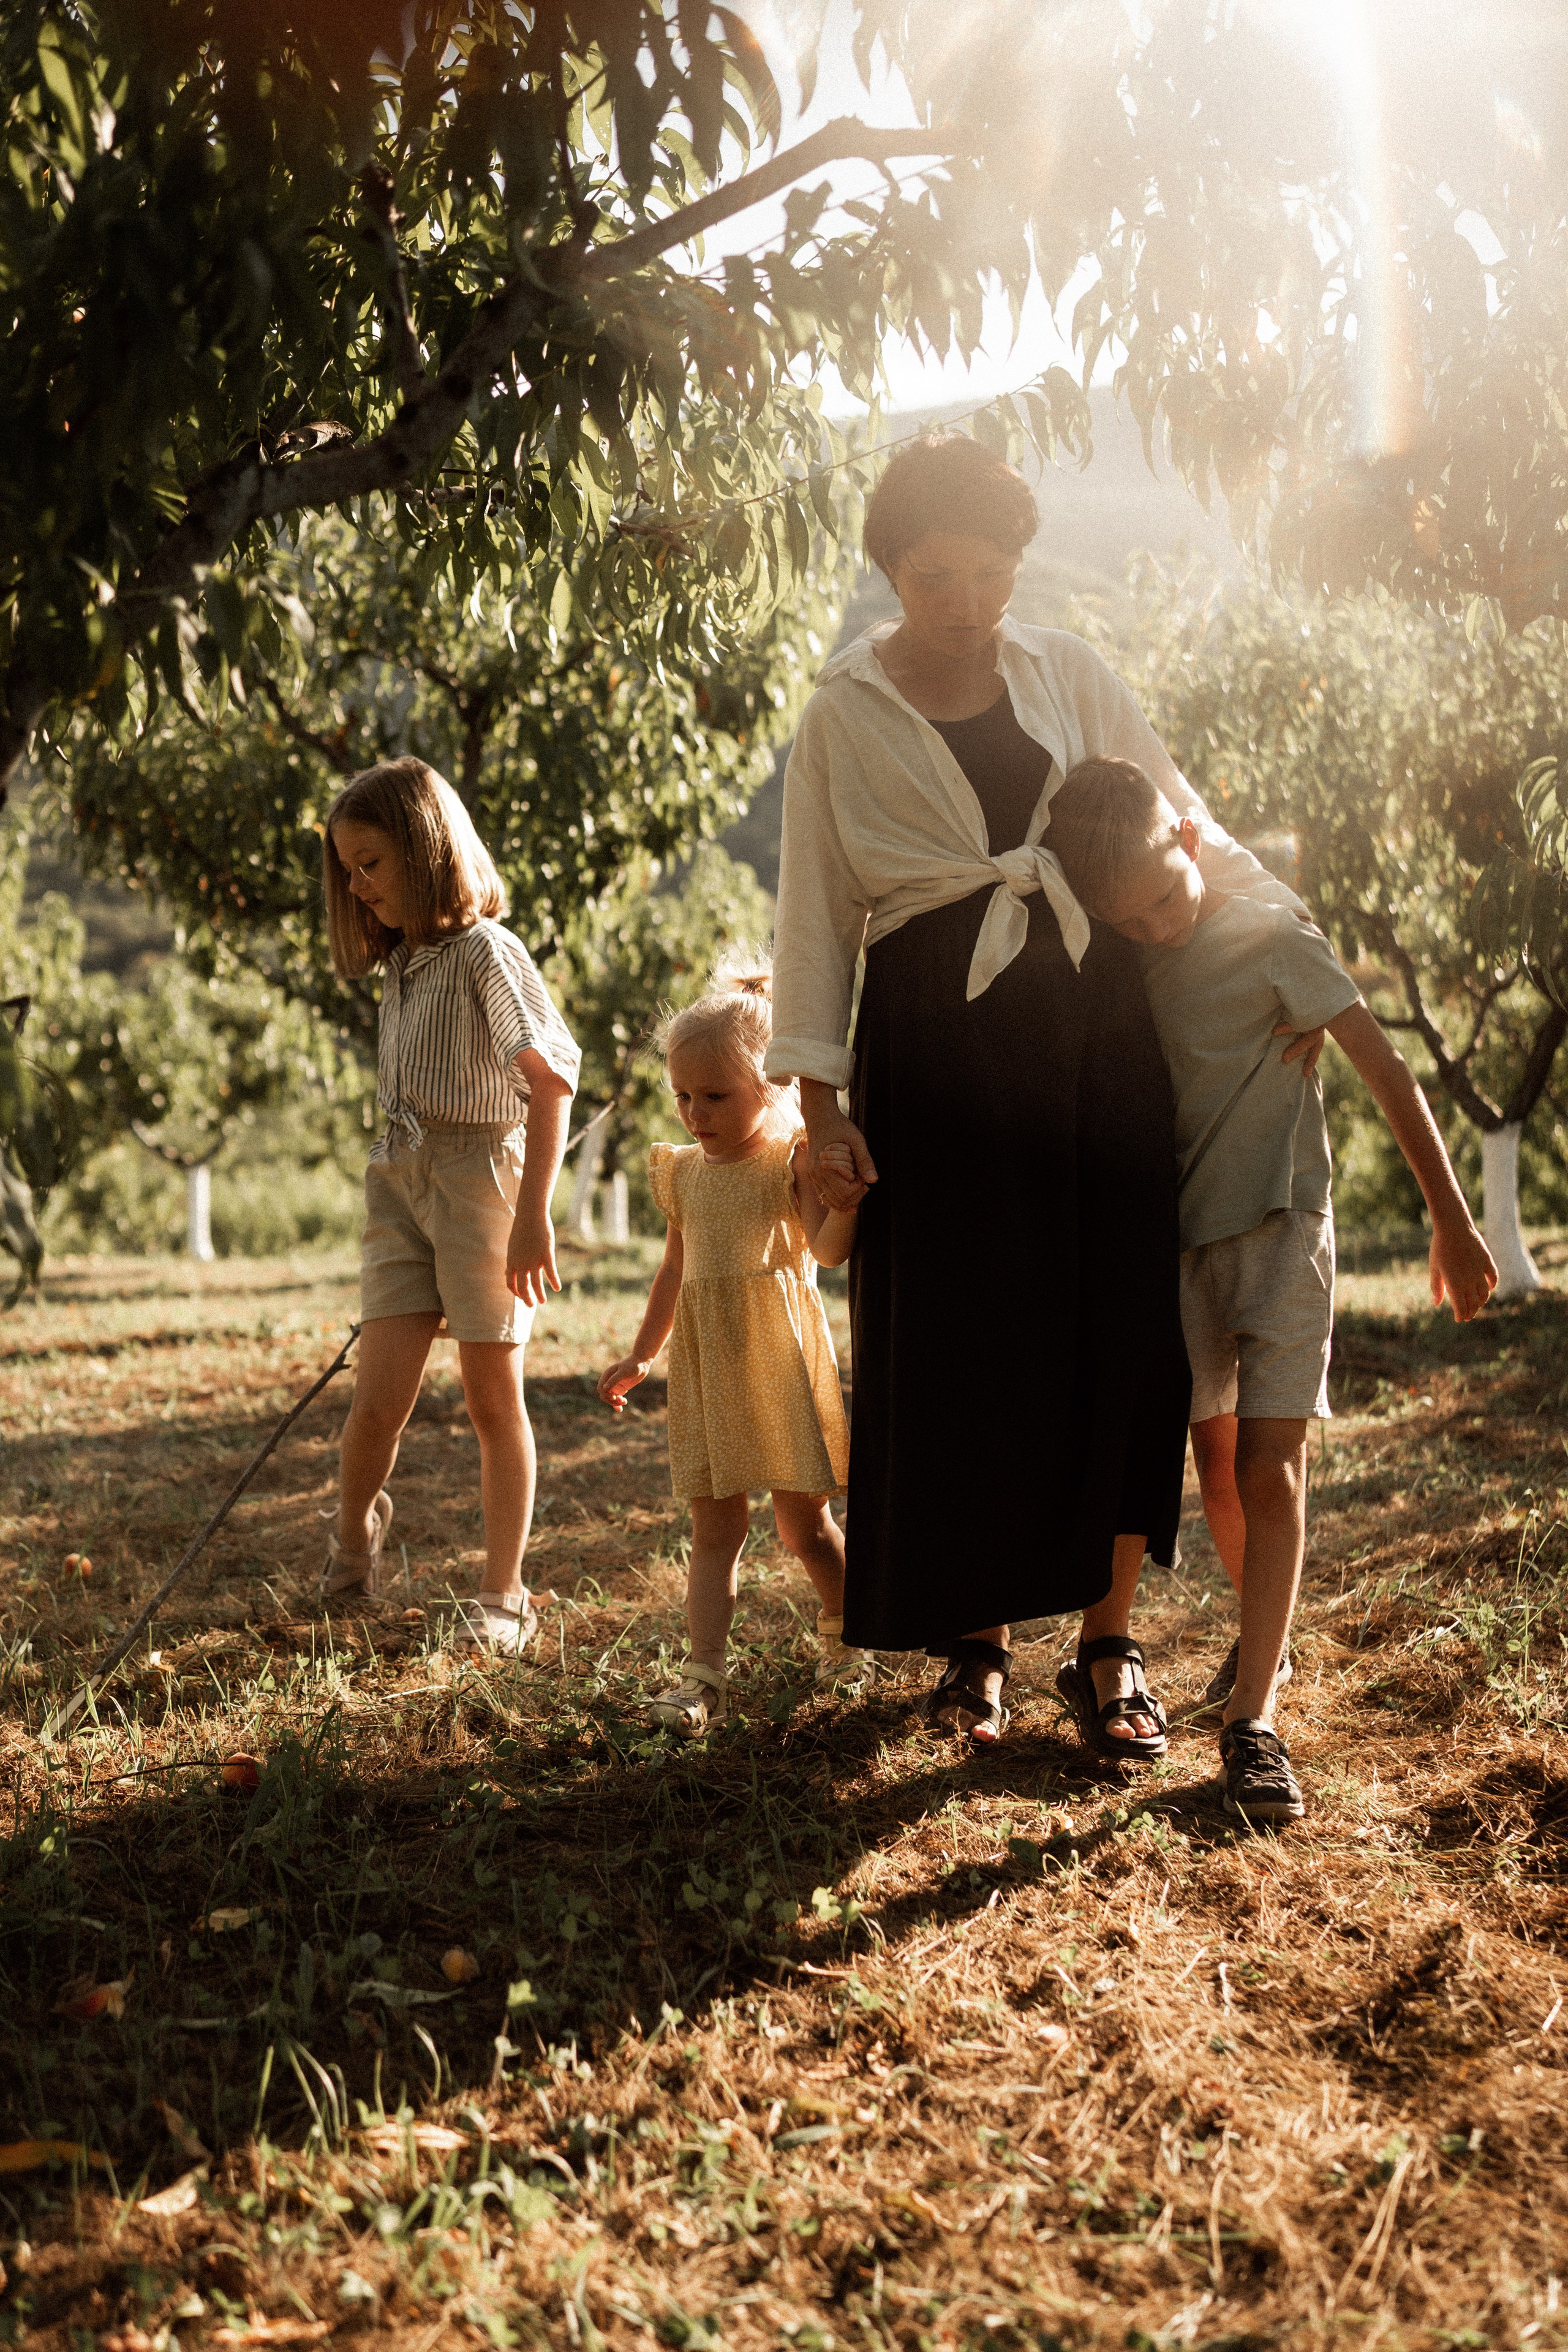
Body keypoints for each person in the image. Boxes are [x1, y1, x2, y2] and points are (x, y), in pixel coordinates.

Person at [766, 432, 1318, 1753]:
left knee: (1117, 1339)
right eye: (933, 574)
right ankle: (975, 1646)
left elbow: (1182, 823)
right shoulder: (842, 713)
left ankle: (1107, 1648)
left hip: (1092, 1043)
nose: (963, 599)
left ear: (1018, 560)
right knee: (966, 1346)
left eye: (988, 570)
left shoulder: (1065, 672)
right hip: (934, 1063)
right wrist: (821, 1102)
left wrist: (1301, 957)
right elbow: (813, 921)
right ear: (891, 566)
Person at [1044, 756, 1498, 1817]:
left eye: (1165, 900)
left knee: (1272, 1464)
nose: (1159, 928)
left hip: (1287, 1230)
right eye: (1134, 921)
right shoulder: (1128, 961)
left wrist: (1453, 1214)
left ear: (1192, 845)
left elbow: (1386, 1068)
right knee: (1214, 1462)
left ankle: (1253, 1721)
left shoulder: (1275, 937)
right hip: (1183, 1249)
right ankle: (1259, 1653)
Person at [322, 755, 581, 1652]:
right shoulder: (403, 965)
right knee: (375, 1403)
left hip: (481, 1184)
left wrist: (533, 1213)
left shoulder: (484, 952)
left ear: (427, 848)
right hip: (401, 1178)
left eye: (371, 864)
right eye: (347, 870)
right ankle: (355, 1537)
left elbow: (549, 1084)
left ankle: (505, 1593)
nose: (357, 888)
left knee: (490, 1397)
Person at [597, 960, 866, 1736]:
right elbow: (674, 1269)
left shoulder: (789, 1159)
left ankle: (846, 1627)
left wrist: (846, 1203)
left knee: (802, 1526)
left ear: (772, 1087)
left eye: (714, 1096)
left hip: (776, 1361)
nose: (693, 1112)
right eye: (682, 1095)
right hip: (708, 1370)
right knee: (713, 1530)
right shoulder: (681, 1172)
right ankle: (703, 1677)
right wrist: (644, 1354)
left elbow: (825, 1251)